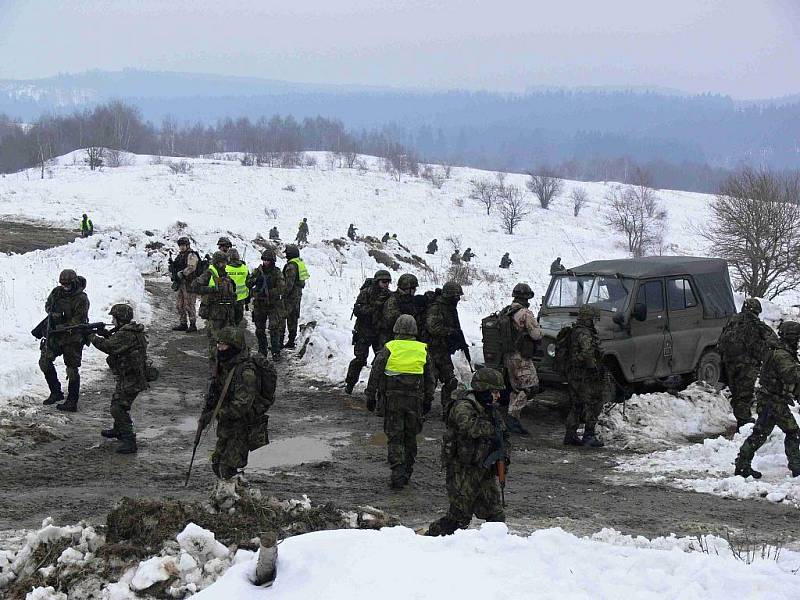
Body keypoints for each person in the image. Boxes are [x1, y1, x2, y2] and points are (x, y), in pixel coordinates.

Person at [426, 368, 508, 536]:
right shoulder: (463, 405)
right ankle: (430, 538)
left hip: (484, 469)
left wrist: (503, 456)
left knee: (496, 515)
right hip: (462, 469)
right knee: (458, 519)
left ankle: (496, 549)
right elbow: (471, 428)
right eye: (494, 392)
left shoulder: (490, 409)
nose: (497, 396)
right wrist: (494, 428)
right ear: (483, 390)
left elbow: (503, 437)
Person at [365, 315, 435, 489]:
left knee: (395, 437)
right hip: (415, 401)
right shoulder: (422, 350)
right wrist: (428, 399)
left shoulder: (390, 348)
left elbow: (376, 372)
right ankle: (408, 470)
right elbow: (430, 378)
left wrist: (370, 395)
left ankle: (398, 471)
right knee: (410, 437)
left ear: (396, 329)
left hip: (393, 400)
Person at [199, 327, 275, 481]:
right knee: (217, 461)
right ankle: (231, 492)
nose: (219, 349)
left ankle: (238, 495)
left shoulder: (245, 372)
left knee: (228, 466)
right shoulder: (226, 365)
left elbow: (241, 406)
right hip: (228, 424)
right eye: (218, 345)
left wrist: (216, 414)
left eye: (223, 345)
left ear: (234, 347)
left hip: (242, 426)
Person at [735, 321, 800, 479]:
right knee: (793, 432)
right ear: (791, 337)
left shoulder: (779, 351)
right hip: (773, 401)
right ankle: (797, 467)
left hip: (770, 399)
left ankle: (742, 465)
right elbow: (791, 375)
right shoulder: (782, 355)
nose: (798, 341)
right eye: (796, 338)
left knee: (759, 433)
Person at [87, 304, 148, 454]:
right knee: (117, 401)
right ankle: (118, 430)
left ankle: (129, 440)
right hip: (128, 375)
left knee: (118, 407)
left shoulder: (126, 334)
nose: (112, 321)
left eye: (114, 318)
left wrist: (92, 336)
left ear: (120, 319)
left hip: (131, 377)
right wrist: (106, 334)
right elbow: (118, 344)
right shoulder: (129, 331)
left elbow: (109, 347)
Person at [719, 298, 776, 429]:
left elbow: (721, 341)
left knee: (736, 393)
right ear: (757, 310)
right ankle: (743, 422)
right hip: (747, 365)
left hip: (729, 363)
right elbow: (773, 340)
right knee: (744, 394)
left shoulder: (732, 321)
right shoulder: (757, 324)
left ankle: (741, 418)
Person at [40, 269, 90, 412]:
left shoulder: (81, 298)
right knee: (44, 361)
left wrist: (63, 324)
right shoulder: (57, 292)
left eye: (68, 284)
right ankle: (56, 392)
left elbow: (78, 320)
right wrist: (54, 314)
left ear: (74, 282)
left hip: (73, 337)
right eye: (63, 284)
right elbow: (48, 306)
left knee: (72, 369)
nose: (65, 287)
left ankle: (72, 401)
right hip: (56, 335)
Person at [501, 283, 543, 436]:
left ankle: (513, 418)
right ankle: (512, 418)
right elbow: (536, 335)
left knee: (516, 388)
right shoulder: (524, 313)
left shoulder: (506, 311)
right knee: (529, 387)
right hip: (521, 356)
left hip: (508, 356)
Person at [562, 305, 605, 448]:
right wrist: (593, 369)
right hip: (584, 376)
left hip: (574, 374)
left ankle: (570, 435)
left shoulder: (575, 330)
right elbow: (587, 353)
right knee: (594, 402)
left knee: (576, 405)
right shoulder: (585, 333)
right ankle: (589, 435)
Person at [345, 270, 392, 394]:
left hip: (379, 332)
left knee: (380, 361)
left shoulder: (389, 296)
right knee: (360, 359)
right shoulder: (366, 293)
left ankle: (375, 389)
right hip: (364, 332)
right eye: (384, 281)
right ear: (377, 282)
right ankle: (350, 383)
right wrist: (374, 308)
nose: (386, 284)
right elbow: (358, 310)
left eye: (388, 282)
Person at [192, 251, 237, 368]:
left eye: (225, 262)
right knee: (215, 340)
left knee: (227, 339)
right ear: (217, 263)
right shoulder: (209, 273)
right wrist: (210, 289)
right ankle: (214, 365)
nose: (224, 265)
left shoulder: (225, 275)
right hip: (215, 313)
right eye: (222, 262)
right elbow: (194, 286)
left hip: (227, 312)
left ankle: (225, 364)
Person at [426, 281, 466, 409]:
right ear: (449, 296)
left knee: (451, 380)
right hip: (431, 350)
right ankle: (423, 407)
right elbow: (432, 327)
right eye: (456, 296)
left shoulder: (450, 308)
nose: (458, 299)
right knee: (430, 381)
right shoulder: (436, 307)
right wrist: (450, 332)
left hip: (443, 351)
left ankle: (447, 408)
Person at [247, 248, 286, 360]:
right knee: (259, 329)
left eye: (268, 260)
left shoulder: (277, 272)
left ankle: (275, 351)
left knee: (274, 328)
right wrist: (256, 281)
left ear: (272, 261)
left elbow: (281, 288)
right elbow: (248, 283)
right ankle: (262, 350)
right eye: (264, 259)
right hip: (260, 304)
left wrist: (269, 292)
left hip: (273, 304)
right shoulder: (258, 271)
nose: (265, 262)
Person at [380, 273, 419, 346]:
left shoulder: (409, 299)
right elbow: (392, 318)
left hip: (403, 339)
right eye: (413, 288)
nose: (415, 290)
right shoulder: (393, 300)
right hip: (390, 339)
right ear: (407, 289)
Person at [282, 244, 308, 349]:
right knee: (293, 318)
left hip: (290, 296)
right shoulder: (299, 262)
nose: (285, 256)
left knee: (284, 317)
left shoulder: (291, 266)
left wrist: (282, 294)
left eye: (287, 254)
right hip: (297, 295)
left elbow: (289, 284)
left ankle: (284, 341)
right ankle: (291, 340)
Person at [171, 237, 199, 332]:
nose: (182, 247)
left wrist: (182, 273)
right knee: (180, 304)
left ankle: (192, 324)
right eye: (180, 245)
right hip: (181, 283)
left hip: (190, 283)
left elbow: (192, 267)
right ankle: (183, 323)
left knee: (189, 304)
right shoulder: (180, 256)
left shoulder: (191, 255)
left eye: (183, 245)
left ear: (187, 245)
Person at [225, 248, 250, 326]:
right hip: (241, 298)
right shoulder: (244, 268)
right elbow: (249, 282)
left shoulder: (225, 268)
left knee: (228, 319)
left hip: (228, 297)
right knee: (238, 318)